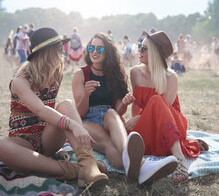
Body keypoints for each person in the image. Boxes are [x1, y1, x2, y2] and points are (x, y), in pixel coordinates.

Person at [0, 28, 109, 189]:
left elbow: (52, 112)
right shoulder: (19, 81)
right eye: (59, 48)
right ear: (47, 53)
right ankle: (77, 170)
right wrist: (73, 125)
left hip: (47, 139)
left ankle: (88, 163)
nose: (63, 52)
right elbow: (40, 110)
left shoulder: (56, 74)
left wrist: (71, 123)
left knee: (66, 104)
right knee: (1, 145)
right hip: (23, 143)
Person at [72, 32, 178, 185]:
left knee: (111, 113)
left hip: (111, 118)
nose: (94, 52)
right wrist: (86, 95)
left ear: (107, 52)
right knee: (109, 144)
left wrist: (125, 103)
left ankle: (135, 164)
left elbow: (119, 111)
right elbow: (79, 113)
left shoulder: (115, 75)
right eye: (91, 47)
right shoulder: (80, 75)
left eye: (99, 49)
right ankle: (142, 167)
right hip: (88, 121)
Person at [126, 30, 208, 184]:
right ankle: (173, 151)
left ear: (155, 54)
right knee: (128, 136)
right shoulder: (135, 72)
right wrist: (135, 125)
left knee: (157, 100)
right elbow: (136, 104)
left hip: (170, 126)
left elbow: (164, 109)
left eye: (144, 48)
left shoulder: (171, 77)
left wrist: (138, 118)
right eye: (139, 46)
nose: (139, 51)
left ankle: (178, 156)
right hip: (148, 125)